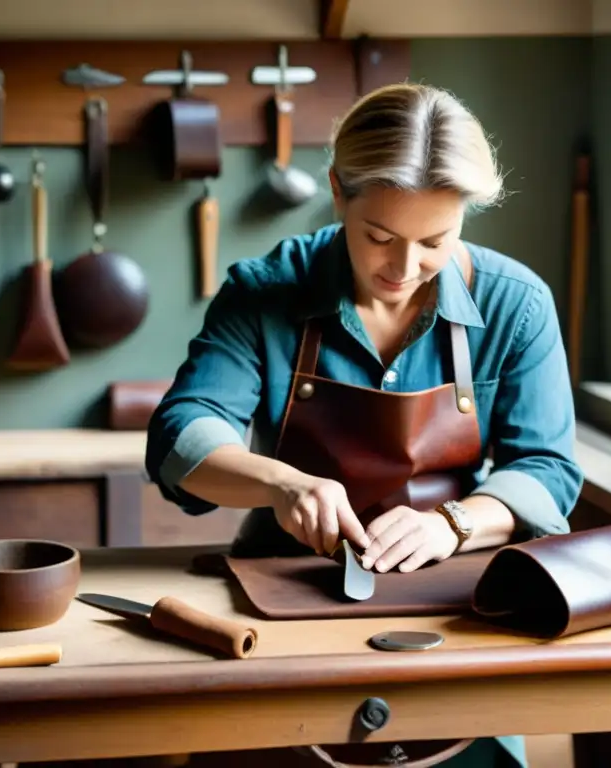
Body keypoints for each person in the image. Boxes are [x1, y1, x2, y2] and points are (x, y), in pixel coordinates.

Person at [146, 82, 583, 768]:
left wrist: (455, 522)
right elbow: (181, 434)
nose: (403, 269)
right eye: (378, 236)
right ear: (338, 193)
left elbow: (548, 471)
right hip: (285, 601)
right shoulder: (265, 291)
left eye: (434, 241)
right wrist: (279, 483)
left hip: (457, 609)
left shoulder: (516, 305)